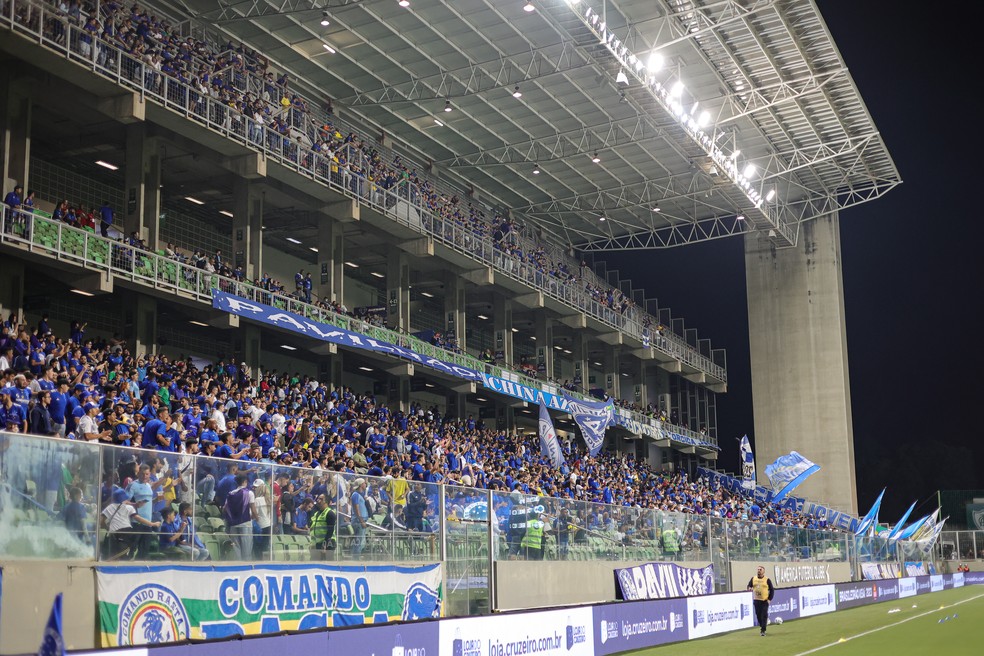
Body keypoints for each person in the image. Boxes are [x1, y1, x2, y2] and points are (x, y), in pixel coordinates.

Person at [747, 565, 775, 636]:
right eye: (758, 569)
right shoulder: (753, 578)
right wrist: (749, 588)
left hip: (764, 601)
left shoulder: (767, 580)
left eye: (760, 570)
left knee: (764, 615)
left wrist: (769, 599)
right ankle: (762, 625)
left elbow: (772, 590)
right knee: (758, 615)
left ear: (763, 572)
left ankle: (763, 630)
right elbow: (749, 586)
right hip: (756, 600)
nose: (759, 571)